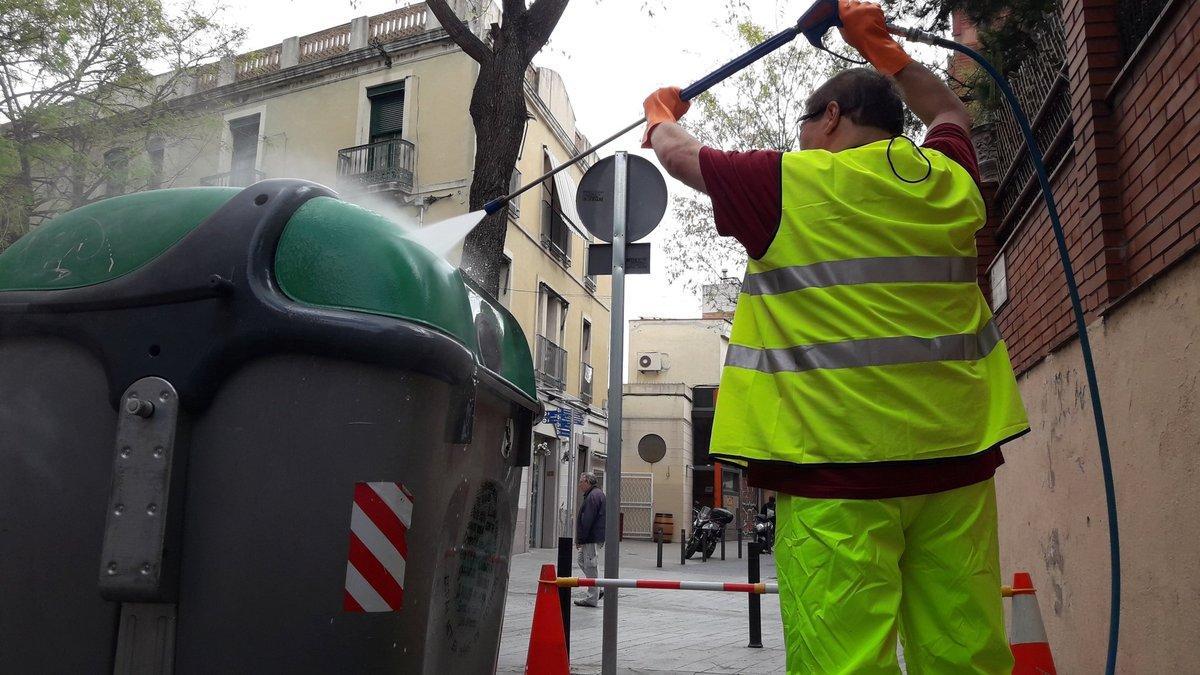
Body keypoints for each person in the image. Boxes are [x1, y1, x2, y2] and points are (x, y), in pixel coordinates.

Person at [641, 1, 1030, 672]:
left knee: (843, 661)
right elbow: (949, 115)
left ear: (829, 118)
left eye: (804, 125)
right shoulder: (946, 182)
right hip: (956, 469)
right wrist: (885, 50)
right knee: (966, 655)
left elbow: (681, 157)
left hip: (836, 475)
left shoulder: (789, 185)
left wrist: (661, 116)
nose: (798, 140)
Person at [574, 472, 605, 608]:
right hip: (592, 536)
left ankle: (593, 597)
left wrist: (581, 538)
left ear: (588, 482)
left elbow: (587, 519)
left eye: (581, 481)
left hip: (591, 537)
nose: (579, 484)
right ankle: (598, 587)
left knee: (590, 565)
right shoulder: (595, 494)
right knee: (582, 561)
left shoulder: (593, 496)